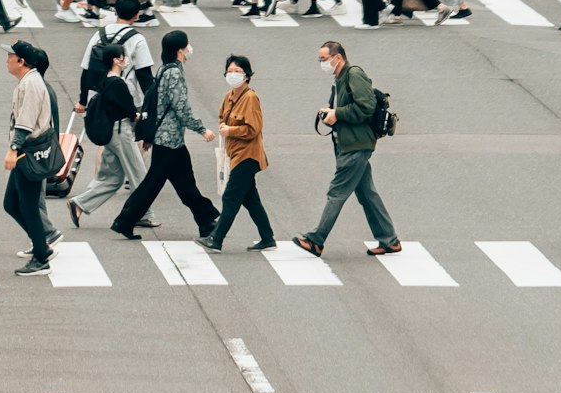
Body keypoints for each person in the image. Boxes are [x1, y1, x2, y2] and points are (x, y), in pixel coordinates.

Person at [293, 41, 401, 259]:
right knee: (367, 193)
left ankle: (316, 240)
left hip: (356, 145)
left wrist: (338, 114)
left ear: (338, 58)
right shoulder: (339, 78)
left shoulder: (354, 74)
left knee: (336, 192)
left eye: (324, 59)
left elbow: (366, 106)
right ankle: (390, 240)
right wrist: (331, 115)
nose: (322, 64)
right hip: (349, 143)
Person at [111, 30, 218, 242]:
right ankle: (124, 221)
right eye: (187, 46)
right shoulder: (174, 73)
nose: (189, 50)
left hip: (169, 139)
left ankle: (206, 221)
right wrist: (201, 129)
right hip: (169, 140)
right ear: (180, 50)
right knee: (153, 185)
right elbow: (181, 107)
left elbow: (157, 103)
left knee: (185, 183)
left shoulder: (165, 69)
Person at [68, 41, 158, 231]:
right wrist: (146, 116)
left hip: (110, 134)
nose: (126, 61)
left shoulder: (105, 81)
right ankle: (145, 214)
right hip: (121, 133)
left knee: (113, 178)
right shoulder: (119, 83)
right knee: (139, 174)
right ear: (117, 60)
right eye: (124, 57)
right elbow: (131, 112)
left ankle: (79, 204)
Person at [201, 55, 275, 254]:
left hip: (248, 155)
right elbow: (221, 117)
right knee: (251, 199)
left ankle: (216, 239)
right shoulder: (229, 96)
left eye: (238, 71)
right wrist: (224, 127)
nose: (233, 75)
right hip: (235, 154)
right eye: (230, 71)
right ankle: (267, 237)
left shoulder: (250, 98)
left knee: (231, 197)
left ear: (247, 75)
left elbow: (254, 129)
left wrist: (230, 131)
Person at [1, 39, 56, 274]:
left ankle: (41, 257)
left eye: (10, 56)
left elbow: (26, 122)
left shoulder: (31, 84)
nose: (7, 60)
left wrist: (13, 148)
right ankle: (42, 246)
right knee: (12, 203)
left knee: (28, 207)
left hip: (28, 152)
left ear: (21, 61)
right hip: (27, 151)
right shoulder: (28, 81)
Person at [77, 0, 156, 106]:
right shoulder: (137, 39)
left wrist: (82, 101)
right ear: (136, 15)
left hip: (98, 95)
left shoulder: (99, 34)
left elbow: (86, 69)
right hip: (126, 96)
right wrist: (151, 105)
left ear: (115, 12)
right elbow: (144, 74)